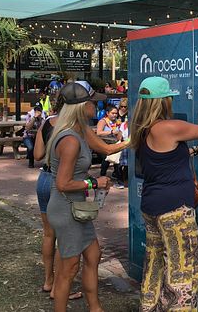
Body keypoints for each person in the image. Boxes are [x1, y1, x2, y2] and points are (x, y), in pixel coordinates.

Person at [130, 76, 198, 311]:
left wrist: (197, 150)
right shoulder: (170, 127)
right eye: (169, 96)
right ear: (163, 101)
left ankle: (148, 306)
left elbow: (163, 158)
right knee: (184, 270)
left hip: (152, 207)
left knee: (155, 263)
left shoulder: (141, 129)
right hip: (175, 212)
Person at [33, 84, 129, 302]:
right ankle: (59, 294)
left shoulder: (57, 126)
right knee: (70, 264)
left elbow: (38, 154)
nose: (98, 106)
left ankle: (87, 302)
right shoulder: (71, 138)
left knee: (91, 254)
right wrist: (94, 182)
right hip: (66, 202)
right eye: (94, 102)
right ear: (83, 105)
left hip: (51, 186)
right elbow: (64, 183)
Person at [96, 105, 123, 180]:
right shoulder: (103, 121)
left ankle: (118, 178)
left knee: (117, 161)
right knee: (106, 160)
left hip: (115, 143)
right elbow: (99, 133)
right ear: (107, 113)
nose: (115, 115)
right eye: (113, 113)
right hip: (104, 144)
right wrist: (111, 132)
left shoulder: (118, 121)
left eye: (116, 113)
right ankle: (102, 176)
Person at [23, 104, 45, 168]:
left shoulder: (44, 116)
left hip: (38, 137)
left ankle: (46, 163)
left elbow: (43, 129)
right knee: (31, 148)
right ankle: (31, 162)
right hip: (28, 136)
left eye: (39, 110)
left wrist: (41, 118)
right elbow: (27, 128)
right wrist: (34, 118)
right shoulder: (29, 115)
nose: (37, 111)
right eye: (36, 110)